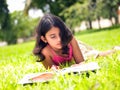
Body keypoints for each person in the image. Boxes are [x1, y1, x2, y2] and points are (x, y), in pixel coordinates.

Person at [33, 13, 120, 70]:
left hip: (75, 47)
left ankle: (115, 49)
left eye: (61, 34)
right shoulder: (45, 52)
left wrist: (79, 65)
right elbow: (51, 71)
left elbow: (81, 62)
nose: (59, 39)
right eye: (53, 37)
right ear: (44, 39)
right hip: (69, 56)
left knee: (93, 55)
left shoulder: (69, 38)